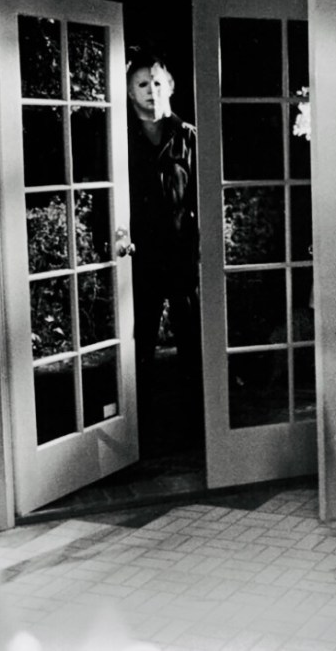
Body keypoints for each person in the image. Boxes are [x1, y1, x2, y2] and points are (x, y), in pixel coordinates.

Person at [125, 48, 200, 406]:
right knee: (139, 338)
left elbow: (203, 197)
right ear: (130, 92)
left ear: (170, 86)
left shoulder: (189, 137)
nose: (150, 90)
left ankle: (196, 412)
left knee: (191, 336)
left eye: (156, 82)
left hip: (181, 253)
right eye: (142, 84)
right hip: (138, 255)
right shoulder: (119, 138)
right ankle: (136, 416)